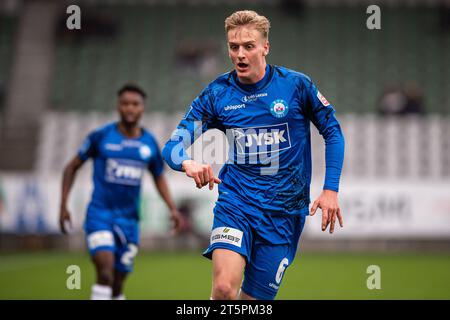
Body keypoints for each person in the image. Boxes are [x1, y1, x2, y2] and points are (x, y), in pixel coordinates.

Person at [162, 10, 345, 300]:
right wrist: (187, 162)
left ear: (265, 47)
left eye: (249, 46)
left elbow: (333, 132)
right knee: (223, 290)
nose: (240, 54)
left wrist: (331, 189)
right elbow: (171, 147)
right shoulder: (217, 95)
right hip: (237, 204)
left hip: (284, 213)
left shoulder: (295, 86)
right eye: (234, 47)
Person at [59, 84, 182, 300]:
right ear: (118, 106)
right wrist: (63, 206)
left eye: (135, 104)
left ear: (143, 108)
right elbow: (72, 167)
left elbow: (158, 176)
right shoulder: (101, 137)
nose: (130, 109)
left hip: (129, 220)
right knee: (105, 273)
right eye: (125, 104)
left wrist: (172, 208)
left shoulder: (149, 143)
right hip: (100, 214)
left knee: (117, 283)